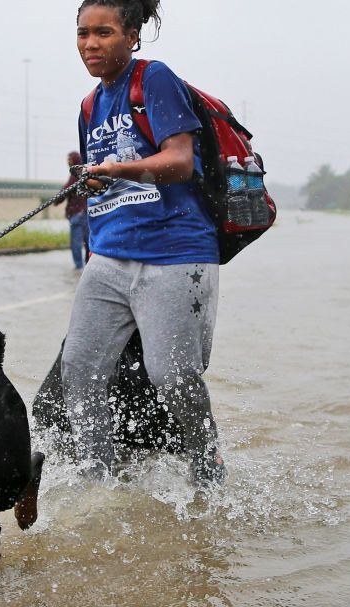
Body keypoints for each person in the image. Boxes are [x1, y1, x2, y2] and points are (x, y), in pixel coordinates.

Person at [64, 0, 225, 486]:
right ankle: (102, 485)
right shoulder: (90, 105)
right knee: (79, 372)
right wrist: (95, 182)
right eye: (82, 33)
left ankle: (207, 470)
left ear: (132, 35)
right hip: (109, 257)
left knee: (172, 379)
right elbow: (105, 185)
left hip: (176, 256)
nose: (90, 44)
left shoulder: (153, 79)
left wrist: (116, 169)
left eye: (104, 33)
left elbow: (178, 161)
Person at [54, 151, 91, 269]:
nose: (67, 162)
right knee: (88, 242)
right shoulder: (85, 173)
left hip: (78, 214)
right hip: (86, 214)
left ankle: (79, 267)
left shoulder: (75, 174)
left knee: (76, 243)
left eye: (69, 159)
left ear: (75, 160)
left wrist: (56, 200)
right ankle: (87, 267)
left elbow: (66, 190)